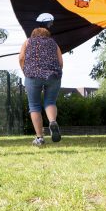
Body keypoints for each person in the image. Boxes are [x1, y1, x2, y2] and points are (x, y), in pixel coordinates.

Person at [19, 14, 63, 146]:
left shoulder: (28, 42)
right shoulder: (53, 43)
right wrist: (56, 71)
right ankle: (52, 122)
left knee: (34, 106)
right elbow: (60, 61)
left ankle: (39, 138)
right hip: (53, 76)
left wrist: (25, 70)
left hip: (33, 76)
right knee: (50, 102)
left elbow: (21, 58)